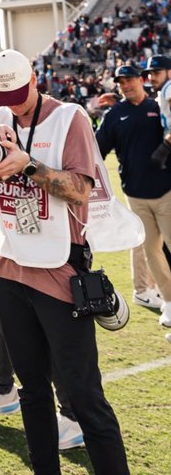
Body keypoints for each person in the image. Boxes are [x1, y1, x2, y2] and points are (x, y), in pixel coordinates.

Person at [0, 49, 129, 475]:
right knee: (32, 391)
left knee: (84, 394)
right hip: (6, 269)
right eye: (3, 97)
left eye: (19, 93)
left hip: (58, 272)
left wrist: (28, 165)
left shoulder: (70, 118)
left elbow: (81, 191)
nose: (12, 104)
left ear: (35, 79)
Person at [95, 63, 171, 333]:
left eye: (130, 80)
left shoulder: (159, 108)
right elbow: (97, 149)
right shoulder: (114, 115)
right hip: (135, 195)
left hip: (166, 192)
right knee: (151, 250)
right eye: (120, 82)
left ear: (141, 79)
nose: (126, 85)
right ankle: (169, 302)